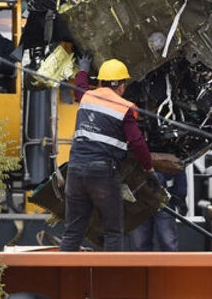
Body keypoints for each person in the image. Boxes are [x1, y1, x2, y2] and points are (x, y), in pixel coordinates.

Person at [60, 59, 153, 252]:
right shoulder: (125, 107)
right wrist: (148, 167)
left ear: (101, 82)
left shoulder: (86, 97)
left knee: (72, 232)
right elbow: (137, 142)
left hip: (75, 171)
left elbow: (79, 86)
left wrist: (83, 68)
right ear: (121, 86)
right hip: (102, 175)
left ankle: (63, 278)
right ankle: (112, 279)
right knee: (113, 232)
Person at [129, 170, 187, 251]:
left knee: (142, 245)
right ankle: (169, 263)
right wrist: (180, 198)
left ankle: (168, 263)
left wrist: (180, 197)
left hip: (153, 199)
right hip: (143, 199)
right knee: (167, 243)